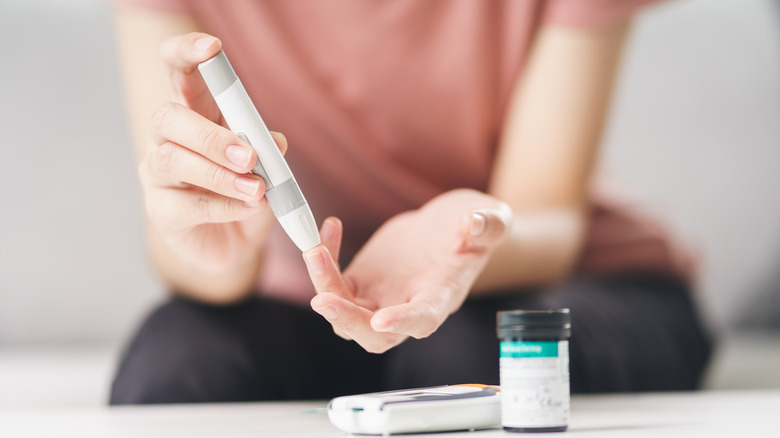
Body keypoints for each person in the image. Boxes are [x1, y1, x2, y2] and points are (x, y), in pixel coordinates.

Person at [109, 0, 712, 404]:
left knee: (468, 359)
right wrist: (224, 250)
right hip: (310, 301)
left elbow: (549, 218)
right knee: (178, 363)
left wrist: (463, 235)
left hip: (551, 280)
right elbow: (179, 241)